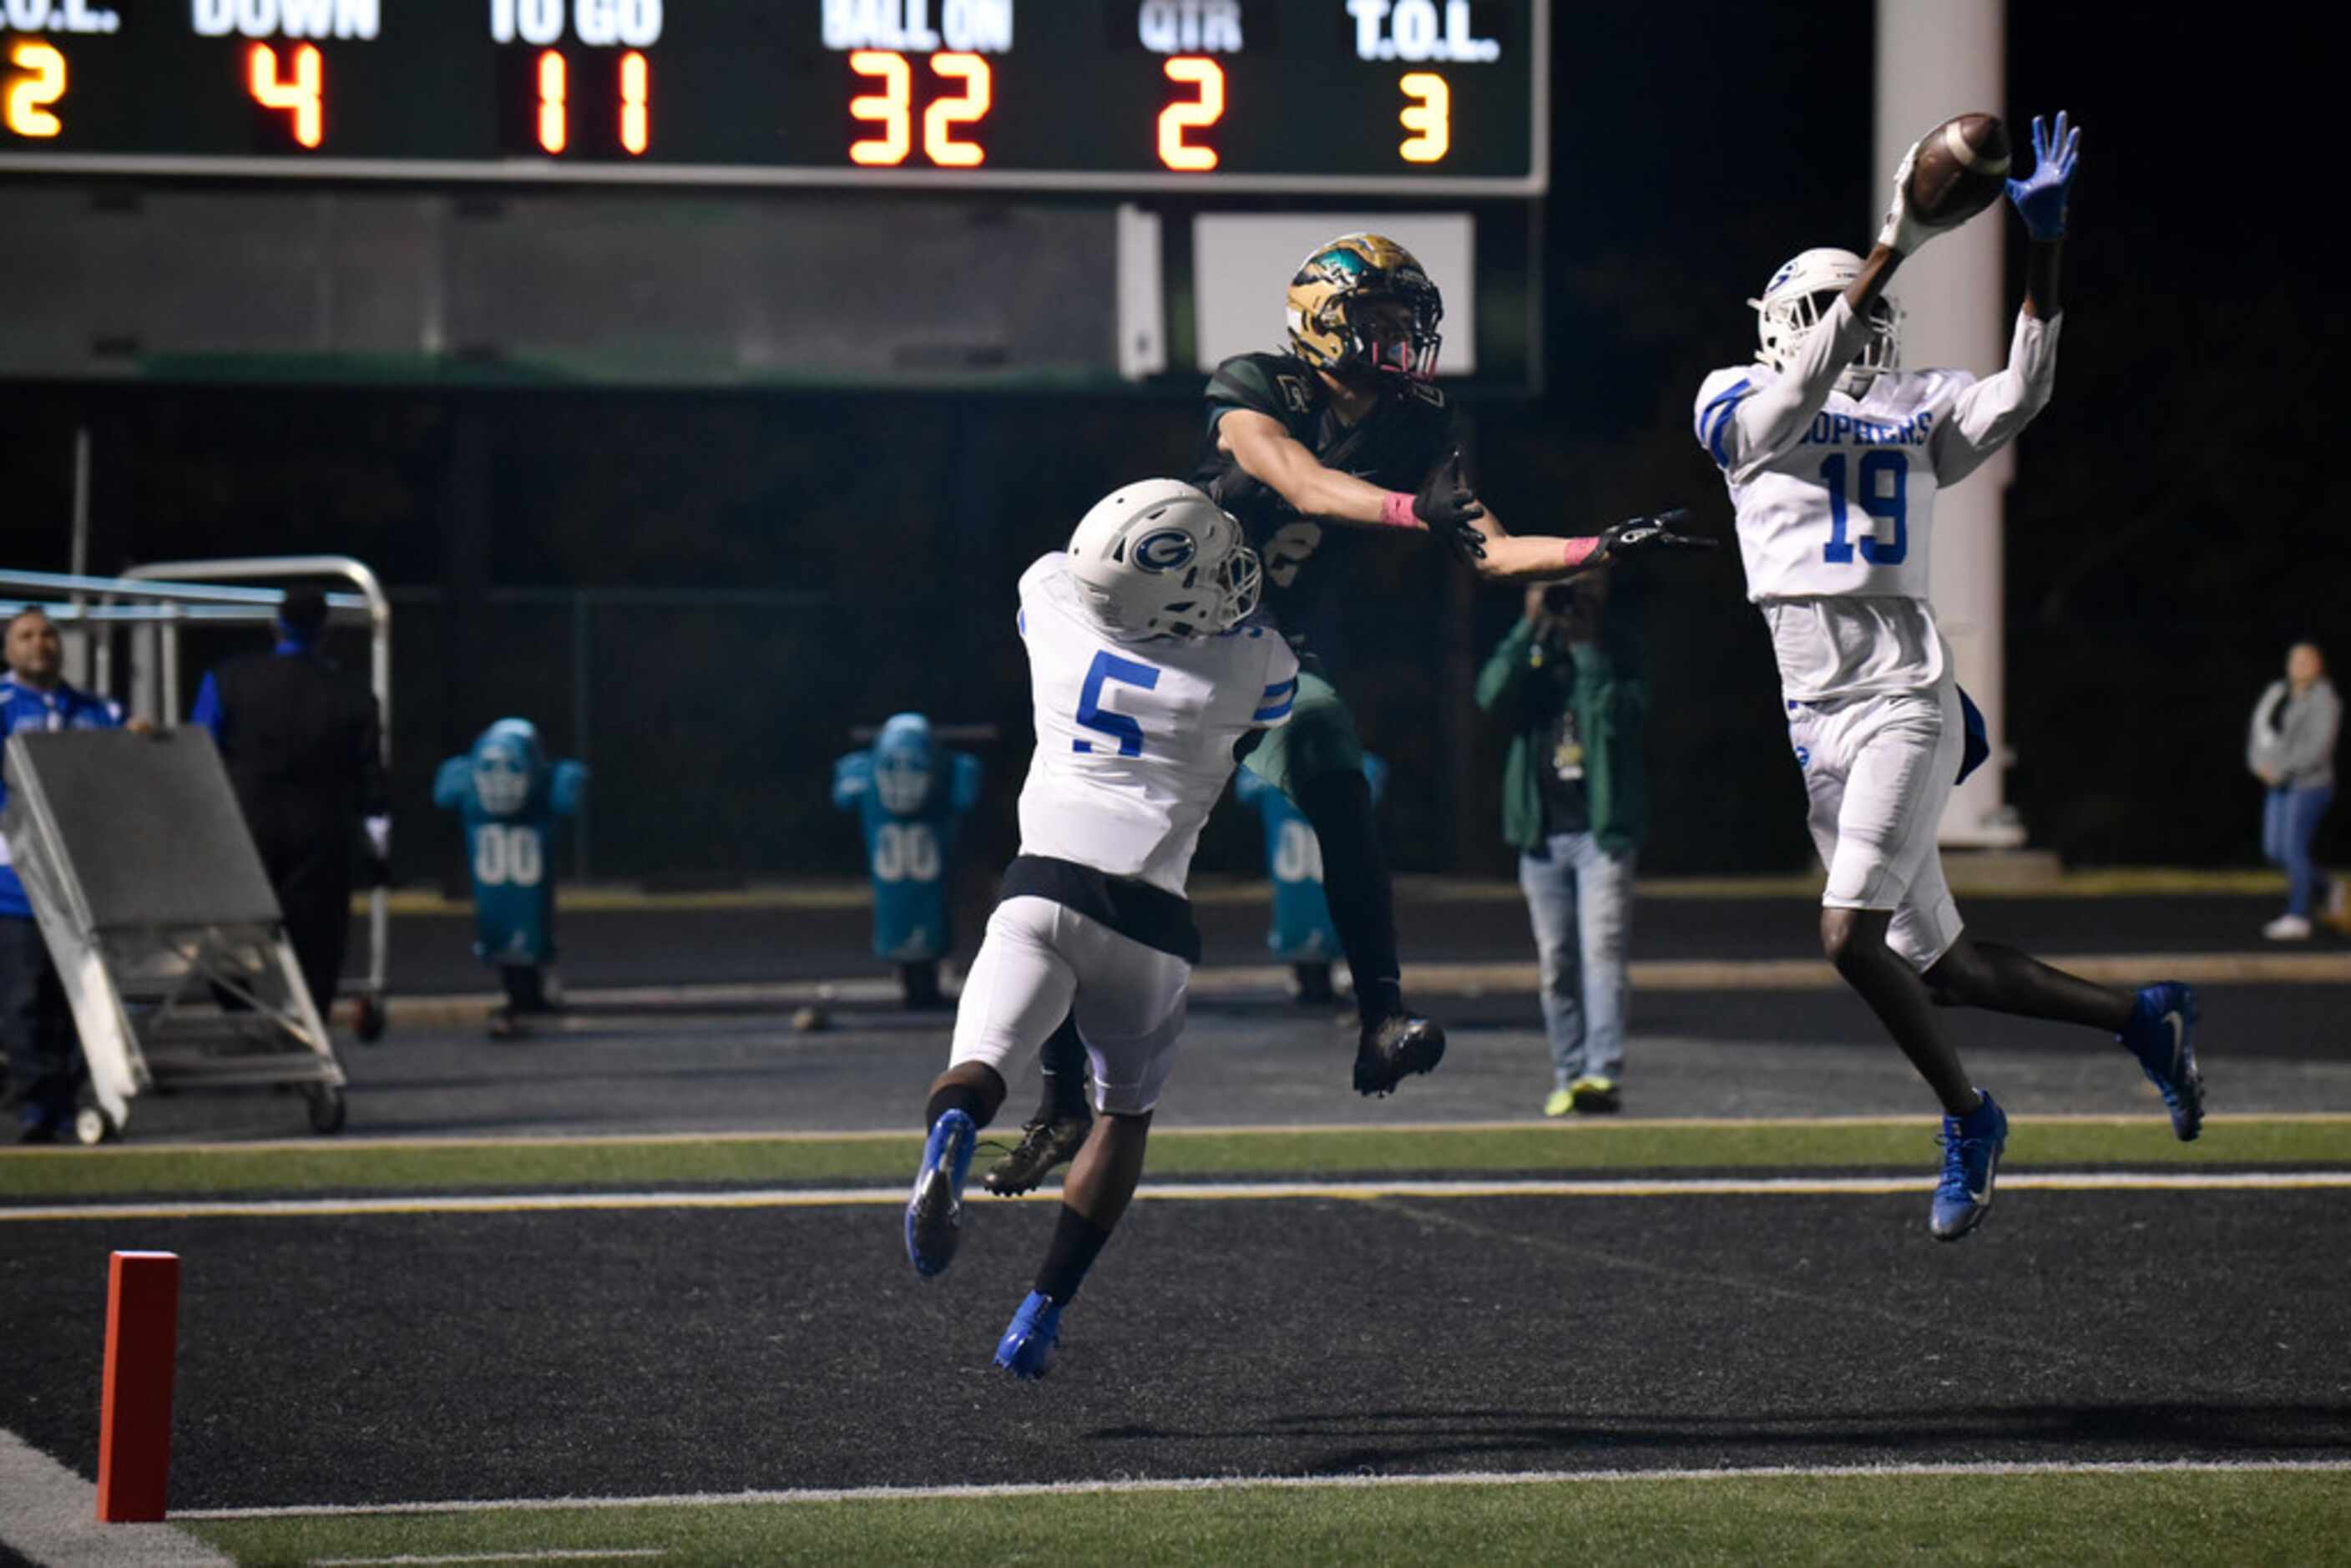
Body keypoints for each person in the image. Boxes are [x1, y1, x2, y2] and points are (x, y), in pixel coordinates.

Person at [983, 230, 1707, 1196]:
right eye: (1377, 321)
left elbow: (1488, 550)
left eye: (1406, 322)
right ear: (1320, 322)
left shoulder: (1415, 423)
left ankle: (1379, 1016)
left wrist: (1597, 547)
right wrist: (1414, 514)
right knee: (1089, 864)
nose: (1399, 340)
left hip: (1264, 644)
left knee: (1335, 765)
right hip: (1162, 636)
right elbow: (1302, 484)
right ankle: (1061, 1093)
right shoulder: (1257, 388)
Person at [1691, 113, 2204, 1240]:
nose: (1858, 329)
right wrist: (1895, 242)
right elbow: (1792, 399)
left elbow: (2023, 392)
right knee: (1947, 964)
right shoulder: (1736, 399)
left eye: (1867, 312)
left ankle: (1971, 1116)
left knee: (1845, 938)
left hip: (1905, 701)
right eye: (1847, 314)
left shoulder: (1912, 405)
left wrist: (2047, 249)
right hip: (1814, 716)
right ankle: (2143, 1019)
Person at [904, 478, 1291, 1378]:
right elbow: (1248, 653)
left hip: (1039, 888)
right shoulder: (1255, 666)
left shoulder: (1049, 596)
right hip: (1148, 923)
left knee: (979, 1065)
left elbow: (1078, 578)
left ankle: (953, 1128)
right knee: (1125, 1118)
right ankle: (1040, 1312)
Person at [1476, 574, 1646, 1116]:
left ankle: (1602, 1075)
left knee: (1602, 956)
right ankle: (1568, 1074)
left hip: (1601, 836)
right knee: (1556, 962)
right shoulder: (1534, 659)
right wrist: (1530, 622)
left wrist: (1587, 644)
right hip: (1542, 835)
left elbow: (1619, 718)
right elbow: (1489, 692)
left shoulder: (1617, 654)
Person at [192, 586, 388, 1024]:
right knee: (316, 942)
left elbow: (200, 749)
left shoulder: (229, 679)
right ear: (325, 632)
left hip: (245, 825)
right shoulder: (353, 693)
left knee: (234, 934)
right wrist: (376, 848)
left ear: (274, 626)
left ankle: (242, 1022)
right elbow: (370, 778)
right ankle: (307, 1030)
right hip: (323, 832)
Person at [0, 608, 130, 1141]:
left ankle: (80, 1097)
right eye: (26, 636)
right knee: (25, 998)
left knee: (85, 996)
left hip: (83, 880)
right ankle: (35, 1103)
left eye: (48, 634)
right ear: (8, 648)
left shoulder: (96, 709)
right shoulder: (6, 708)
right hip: (18, 883)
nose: (40, 644)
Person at [433, 719, 588, 1036]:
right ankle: (527, 992)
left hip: (493, 876)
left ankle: (523, 992)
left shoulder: (464, 776)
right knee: (529, 925)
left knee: (503, 928)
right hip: (526, 876)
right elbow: (566, 799)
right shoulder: (546, 779)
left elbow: (443, 794)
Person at [832, 713, 983, 1007]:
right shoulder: (951, 770)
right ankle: (924, 985)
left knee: (904, 916)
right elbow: (966, 795)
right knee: (930, 914)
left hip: (891, 873)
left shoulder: (861, 770)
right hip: (929, 870)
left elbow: (843, 798)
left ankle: (915, 982)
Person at [2247, 642, 2340, 939]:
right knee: (2275, 850)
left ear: (2318, 665)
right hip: (2278, 782)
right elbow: (2259, 730)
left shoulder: (2325, 700)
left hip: (2308, 784)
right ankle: (2328, 886)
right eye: (2294, 660)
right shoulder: (2278, 694)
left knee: (2294, 848)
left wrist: (2282, 771)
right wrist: (2260, 765)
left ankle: (2299, 916)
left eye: (2306, 660)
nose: (2299, 665)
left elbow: (2317, 749)